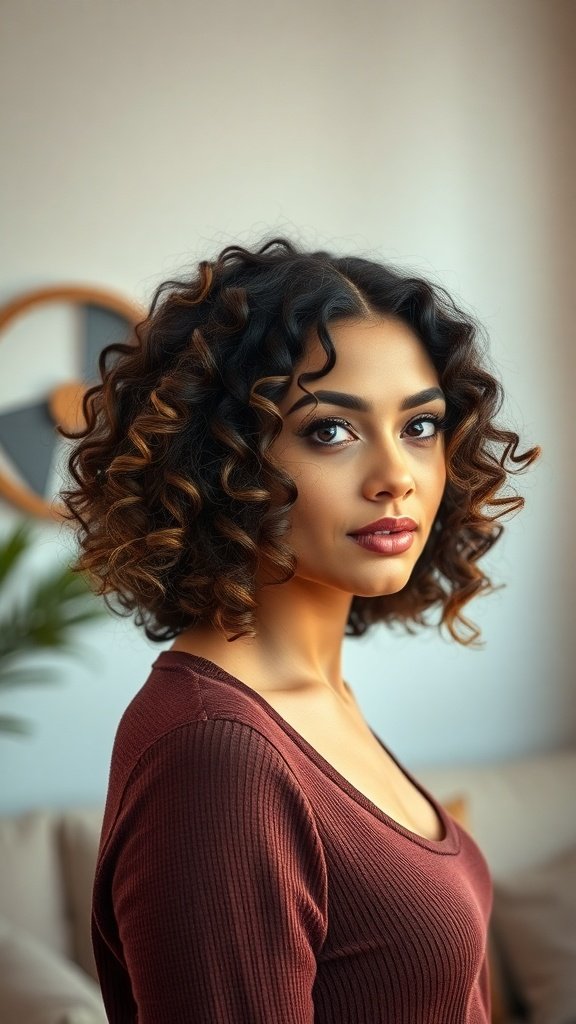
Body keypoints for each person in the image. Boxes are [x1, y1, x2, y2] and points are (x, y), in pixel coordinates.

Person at [62, 236, 539, 1023]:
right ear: (223, 460)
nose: (396, 476)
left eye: (420, 426)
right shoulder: (217, 753)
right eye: (330, 431)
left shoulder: (314, 700)